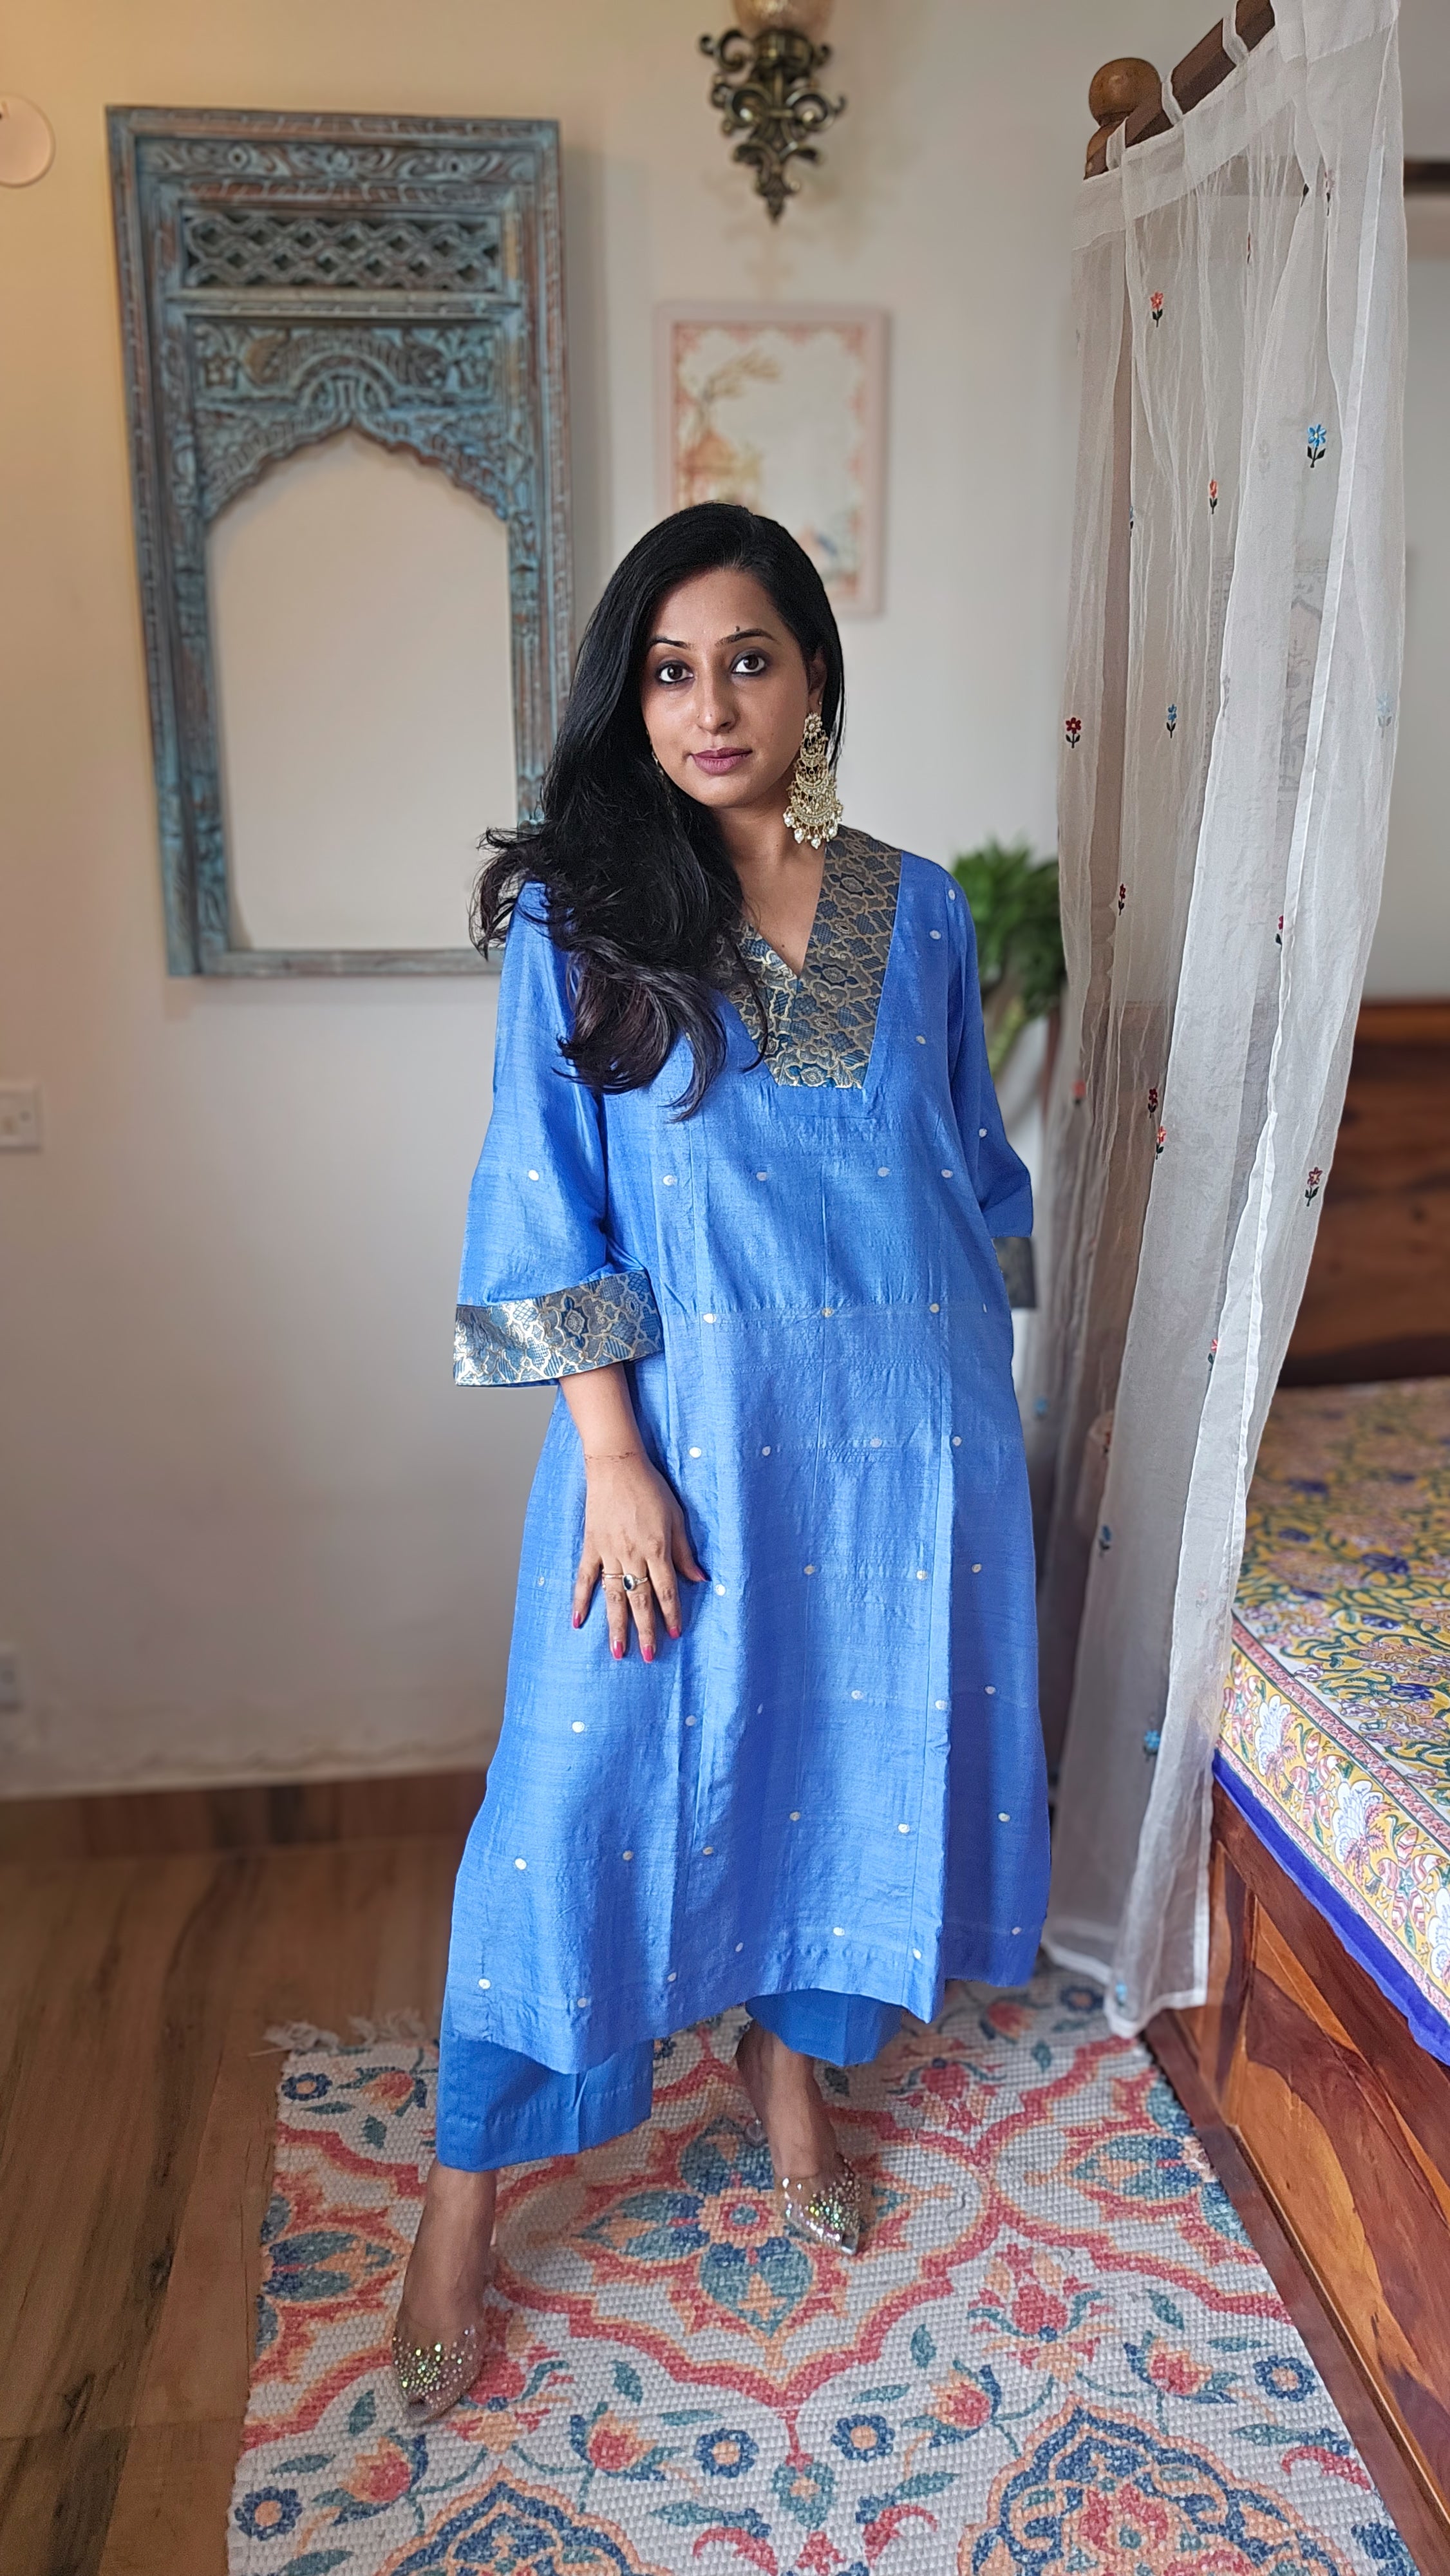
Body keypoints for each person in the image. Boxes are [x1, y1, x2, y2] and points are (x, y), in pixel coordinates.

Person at [392, 502, 1049, 2421]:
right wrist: (611, 1457)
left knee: (841, 1771)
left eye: (748, 660)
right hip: (678, 1450)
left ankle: (787, 2071)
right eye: (670, 671)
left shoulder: (920, 909)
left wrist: (972, 1430)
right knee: (575, 1797)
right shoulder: (579, 916)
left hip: (902, 1448)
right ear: (632, 695)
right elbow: (547, 1197)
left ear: (813, 679)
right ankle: (460, 2203)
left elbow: (962, 1174)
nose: (710, 705)